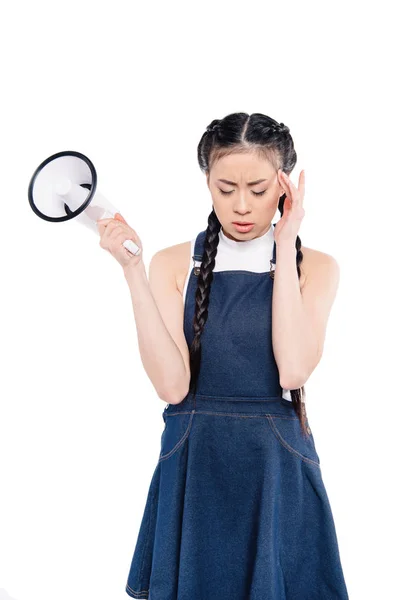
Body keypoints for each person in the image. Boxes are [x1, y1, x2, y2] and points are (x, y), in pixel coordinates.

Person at [97, 112, 349, 599]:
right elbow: (172, 387)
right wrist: (131, 270)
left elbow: (293, 368)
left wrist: (284, 239)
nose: (240, 204)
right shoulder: (172, 262)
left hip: (274, 462)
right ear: (207, 182)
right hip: (195, 458)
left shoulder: (315, 266)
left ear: (284, 185)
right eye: (224, 187)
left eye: (257, 189)